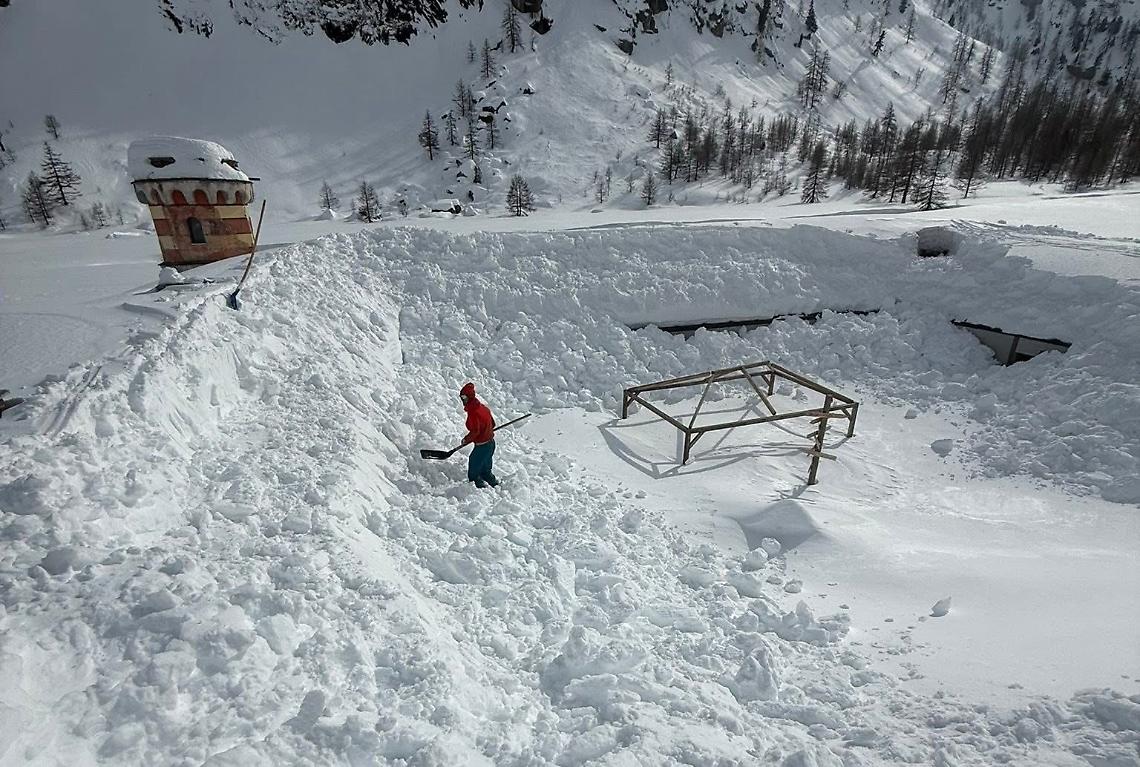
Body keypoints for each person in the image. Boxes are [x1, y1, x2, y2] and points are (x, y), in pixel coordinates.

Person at [459, 382, 498, 488]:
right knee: (486, 463)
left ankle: (475, 482)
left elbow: (475, 431)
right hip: (491, 443)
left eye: (463, 397)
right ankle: (489, 478)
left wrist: (466, 440)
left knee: (474, 463)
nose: (462, 400)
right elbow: (493, 423)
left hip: (482, 445)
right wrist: (487, 430)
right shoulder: (483, 407)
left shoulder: (473, 413)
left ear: (469, 397)